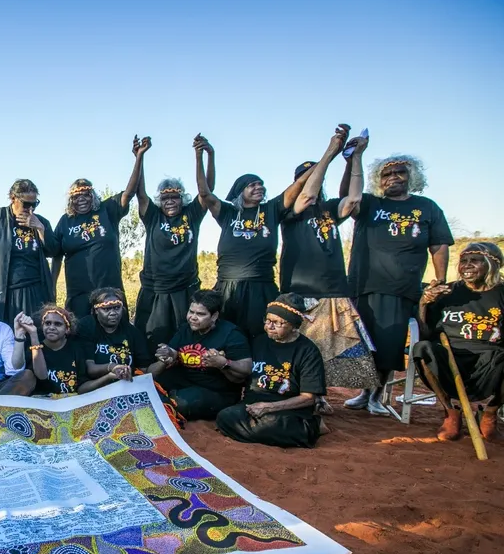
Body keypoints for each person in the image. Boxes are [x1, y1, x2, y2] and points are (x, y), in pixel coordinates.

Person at [343, 153, 454, 414]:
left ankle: (377, 395)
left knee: (389, 343)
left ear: (411, 176)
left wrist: (440, 278)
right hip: (364, 284)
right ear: (377, 180)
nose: (393, 177)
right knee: (363, 343)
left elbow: (438, 245)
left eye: (400, 172)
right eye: (386, 174)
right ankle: (364, 392)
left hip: (400, 287)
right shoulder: (369, 204)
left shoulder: (427, 207)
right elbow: (347, 195)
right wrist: (353, 159)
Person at [281, 126, 379, 398]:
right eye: (306, 176)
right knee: (300, 347)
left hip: (334, 289)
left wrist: (356, 157)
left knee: (328, 351)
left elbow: (354, 199)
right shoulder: (290, 211)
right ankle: (299, 396)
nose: (314, 179)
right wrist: (330, 152)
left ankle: (319, 397)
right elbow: (307, 194)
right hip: (302, 290)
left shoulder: (329, 210)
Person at [195, 138, 302, 338]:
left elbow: (298, 186)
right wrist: (203, 155)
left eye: (261, 184)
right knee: (223, 335)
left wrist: (329, 153)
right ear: (240, 191)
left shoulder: (271, 209)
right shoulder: (227, 212)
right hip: (227, 287)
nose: (259, 187)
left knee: (260, 335)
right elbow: (204, 192)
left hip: (260, 287)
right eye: (252, 185)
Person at [415, 242, 504, 442]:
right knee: (422, 349)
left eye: (475, 260)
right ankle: (451, 412)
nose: (467, 265)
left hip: (491, 359)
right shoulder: (447, 292)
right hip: (451, 355)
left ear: (493, 264)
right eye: (463, 261)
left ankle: (490, 413)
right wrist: (424, 303)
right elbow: (426, 332)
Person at [134, 134, 214, 350]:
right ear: (160, 201)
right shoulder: (153, 217)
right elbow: (140, 194)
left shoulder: (192, 215)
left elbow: (206, 191)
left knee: (185, 336)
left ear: (182, 199)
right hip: (156, 289)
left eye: (175, 197)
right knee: (152, 338)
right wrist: (139, 157)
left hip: (184, 288)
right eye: (166, 198)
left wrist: (203, 156)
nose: (170, 202)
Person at [215, 294, 327, 448]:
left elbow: (308, 398)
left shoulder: (308, 351)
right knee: (225, 416)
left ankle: (311, 427)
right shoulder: (259, 342)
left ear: (294, 326)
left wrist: (268, 407)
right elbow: (242, 377)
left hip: (286, 410)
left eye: (277, 323)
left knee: (271, 423)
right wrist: (224, 363)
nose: (269, 326)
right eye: (267, 320)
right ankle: (293, 434)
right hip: (252, 406)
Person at [50, 137, 144, 318]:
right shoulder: (65, 221)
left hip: (108, 290)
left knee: (113, 335)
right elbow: (56, 257)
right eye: (76, 197)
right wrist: (52, 287)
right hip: (78, 292)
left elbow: (129, 192)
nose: (81, 199)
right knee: (80, 335)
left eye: (85, 195)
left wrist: (138, 157)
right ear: (71, 200)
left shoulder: (107, 210)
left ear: (92, 195)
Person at [154, 290, 252, 420]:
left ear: (214, 316)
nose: (193, 317)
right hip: (186, 382)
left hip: (216, 391)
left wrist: (223, 363)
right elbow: (173, 352)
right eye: (191, 312)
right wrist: (168, 353)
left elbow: (247, 368)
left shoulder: (231, 334)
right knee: (151, 387)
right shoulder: (185, 329)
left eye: (200, 314)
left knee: (181, 403)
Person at [0, 179, 58, 325]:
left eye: (34, 204)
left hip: (35, 289)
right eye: (26, 204)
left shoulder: (41, 221)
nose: (30, 209)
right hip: (5, 290)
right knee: (7, 332)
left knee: (35, 331)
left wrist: (40, 228)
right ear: (13, 198)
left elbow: (53, 251)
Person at [78, 287, 163, 383]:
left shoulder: (132, 332)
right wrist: (112, 367)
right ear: (96, 310)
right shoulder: (87, 327)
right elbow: (90, 369)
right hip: (96, 386)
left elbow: (145, 372)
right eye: (107, 309)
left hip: (126, 385)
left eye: (117, 308)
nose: (113, 313)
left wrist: (163, 361)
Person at [25, 304, 110, 395]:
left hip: (72, 403)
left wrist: (108, 377)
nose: (52, 327)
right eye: (48, 323)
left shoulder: (76, 349)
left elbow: (81, 388)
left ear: (67, 329)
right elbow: (39, 377)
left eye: (58, 324)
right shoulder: (34, 350)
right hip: (44, 404)